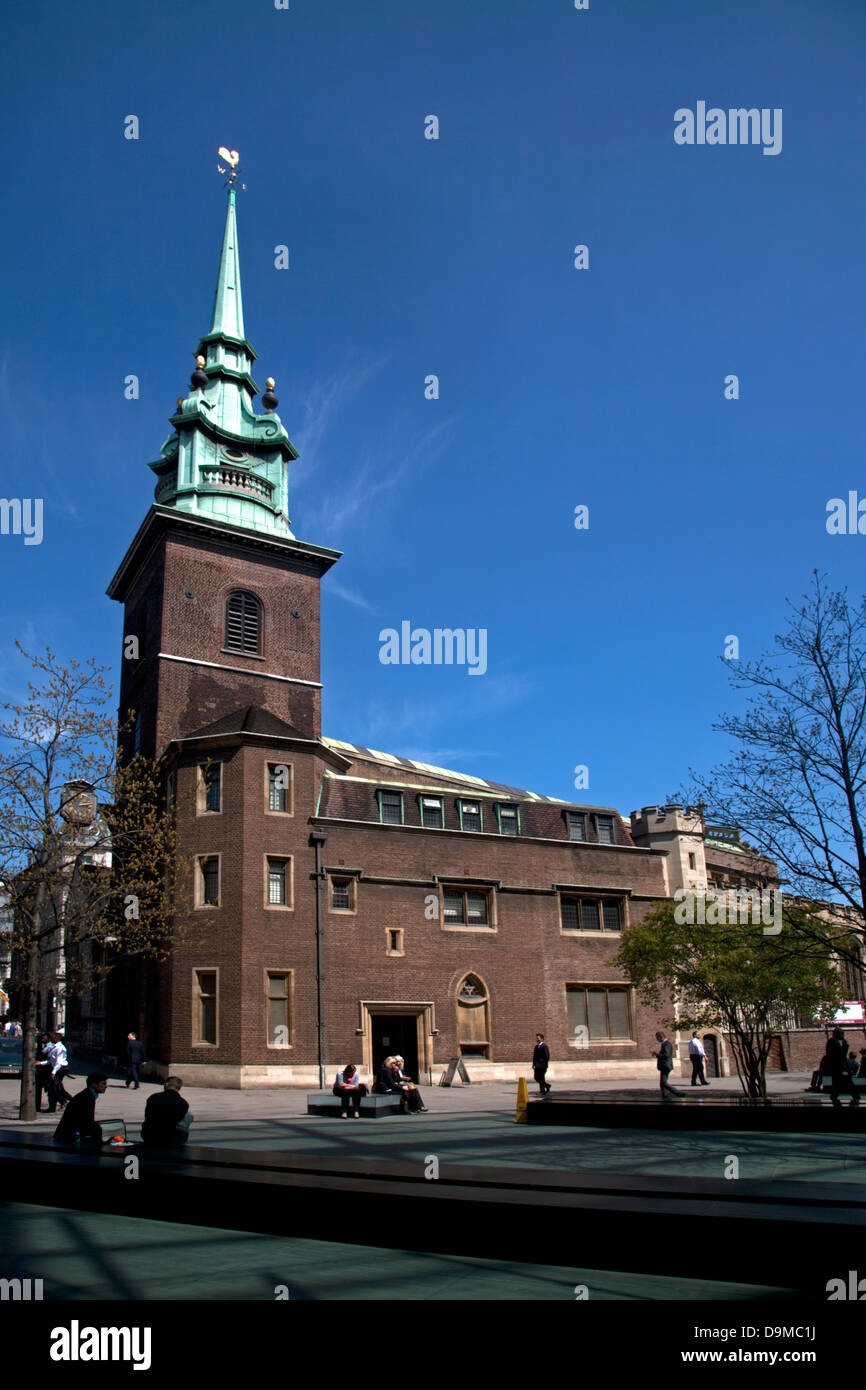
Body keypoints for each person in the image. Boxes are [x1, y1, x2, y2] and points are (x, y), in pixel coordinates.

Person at [53, 1074, 108, 1143]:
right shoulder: (87, 1097)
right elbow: (86, 1120)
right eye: (103, 1083)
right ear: (94, 1084)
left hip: (68, 1134)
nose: (106, 1086)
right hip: (69, 1136)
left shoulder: (87, 1095)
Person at [141, 1077, 191, 1147]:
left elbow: (147, 1115)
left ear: (166, 1085)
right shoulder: (183, 1103)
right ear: (179, 1088)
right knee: (188, 1115)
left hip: (149, 1136)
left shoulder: (153, 1097)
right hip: (170, 1138)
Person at [825, 1027, 860, 1107]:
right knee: (847, 1082)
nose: (843, 1036)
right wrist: (845, 1046)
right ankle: (855, 1096)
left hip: (838, 1068)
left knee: (837, 1083)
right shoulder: (833, 1043)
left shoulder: (833, 1042)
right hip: (837, 1068)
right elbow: (840, 1055)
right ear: (837, 1034)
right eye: (842, 1034)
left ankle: (834, 1096)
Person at [46, 1032, 71, 1112]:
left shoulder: (59, 1048)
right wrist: (42, 1063)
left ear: (55, 1039)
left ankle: (65, 1100)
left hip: (60, 1068)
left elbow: (58, 1062)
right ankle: (63, 1101)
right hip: (58, 1068)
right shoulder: (55, 1047)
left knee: (56, 1087)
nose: (50, 1039)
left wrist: (53, 1072)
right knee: (57, 1087)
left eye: (52, 1038)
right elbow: (52, 1060)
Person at [652, 1030, 678, 1098]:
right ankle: (664, 1095)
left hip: (666, 1065)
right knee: (662, 1082)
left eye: (657, 1038)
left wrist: (657, 1054)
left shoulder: (667, 1044)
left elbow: (666, 1055)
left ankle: (678, 1092)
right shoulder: (664, 1044)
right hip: (664, 1065)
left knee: (664, 1082)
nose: (657, 1040)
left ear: (660, 1037)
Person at [35, 1033, 53, 1111]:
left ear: (48, 1039)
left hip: (46, 1069)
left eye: (43, 1038)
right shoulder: (44, 1046)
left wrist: (41, 1063)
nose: (42, 1040)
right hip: (41, 1069)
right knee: (38, 1088)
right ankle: (37, 1106)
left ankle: (53, 1105)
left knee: (49, 1088)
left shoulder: (50, 1047)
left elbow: (51, 1060)